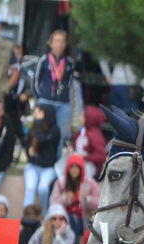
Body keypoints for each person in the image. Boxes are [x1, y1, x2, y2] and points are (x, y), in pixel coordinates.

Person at [33, 30, 74, 160]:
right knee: (42, 130)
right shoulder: (43, 60)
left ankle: (56, 161)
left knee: (61, 134)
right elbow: (35, 82)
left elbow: (70, 83)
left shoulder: (70, 63)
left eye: (62, 41)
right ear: (51, 43)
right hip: (46, 102)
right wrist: (40, 98)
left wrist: (64, 95)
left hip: (63, 104)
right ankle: (39, 159)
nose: (60, 44)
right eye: (57, 41)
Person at [48, 153, 100, 243]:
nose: (74, 170)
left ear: (81, 169)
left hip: (85, 221)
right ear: (67, 169)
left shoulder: (90, 183)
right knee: (71, 220)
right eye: (71, 167)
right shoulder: (60, 182)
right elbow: (52, 203)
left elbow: (99, 204)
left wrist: (87, 199)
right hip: (63, 220)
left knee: (73, 222)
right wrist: (64, 199)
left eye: (76, 167)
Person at [23, 104, 59, 211]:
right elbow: (26, 142)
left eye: (39, 113)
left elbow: (42, 140)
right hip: (33, 166)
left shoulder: (55, 130)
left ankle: (43, 216)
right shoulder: (35, 128)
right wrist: (29, 149)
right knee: (30, 189)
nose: (36, 115)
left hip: (48, 168)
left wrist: (38, 122)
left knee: (42, 189)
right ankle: (27, 216)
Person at [72, 105, 107, 178]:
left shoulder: (95, 136)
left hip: (90, 171)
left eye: (82, 116)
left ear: (89, 118)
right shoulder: (81, 132)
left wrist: (85, 157)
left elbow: (102, 156)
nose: (79, 118)